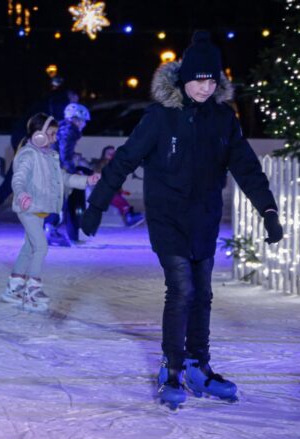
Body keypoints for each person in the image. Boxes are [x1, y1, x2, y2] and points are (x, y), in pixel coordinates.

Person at [81, 31, 284, 408]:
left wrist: (268, 210)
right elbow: (124, 160)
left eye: (212, 80)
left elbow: (246, 167)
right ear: (184, 79)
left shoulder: (224, 119)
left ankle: (197, 366)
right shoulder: (160, 118)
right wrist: (96, 205)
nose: (205, 87)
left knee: (202, 294)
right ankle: (171, 368)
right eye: (199, 79)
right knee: (182, 290)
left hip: (204, 217)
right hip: (168, 217)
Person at [1, 113, 99, 312]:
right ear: (38, 135)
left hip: (40, 209)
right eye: (52, 134)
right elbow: (17, 179)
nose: (55, 138)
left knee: (29, 247)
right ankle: (33, 289)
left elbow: (63, 178)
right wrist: (21, 194)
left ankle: (14, 288)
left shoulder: (50, 155)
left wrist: (85, 181)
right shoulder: (28, 155)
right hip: (28, 208)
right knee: (41, 247)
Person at [0, 82, 79, 225]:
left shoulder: (51, 100)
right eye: (76, 98)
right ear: (71, 95)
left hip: (25, 137)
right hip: (27, 138)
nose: (76, 102)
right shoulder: (60, 103)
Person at [43, 102, 91, 246]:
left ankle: (50, 229)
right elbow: (64, 154)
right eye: (83, 121)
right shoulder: (69, 130)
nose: (84, 125)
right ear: (75, 119)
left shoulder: (63, 128)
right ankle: (50, 230)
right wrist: (72, 170)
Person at [92, 145, 144, 226]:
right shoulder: (102, 163)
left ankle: (129, 216)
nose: (111, 154)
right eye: (109, 152)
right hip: (104, 189)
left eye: (113, 152)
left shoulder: (114, 163)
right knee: (117, 200)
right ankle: (129, 217)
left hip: (112, 189)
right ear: (104, 154)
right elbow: (101, 176)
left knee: (122, 201)